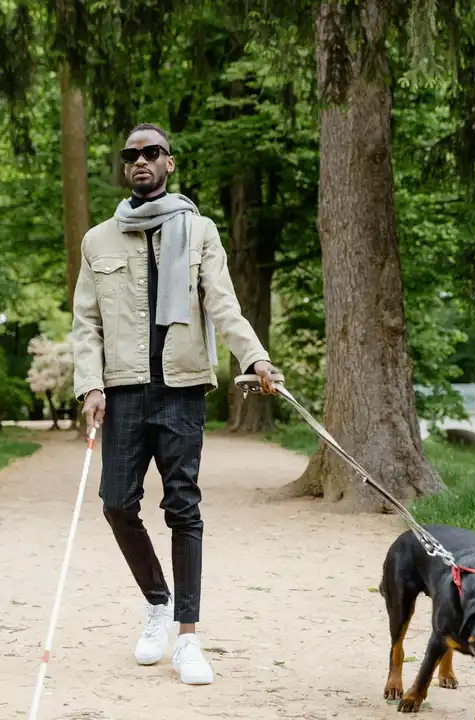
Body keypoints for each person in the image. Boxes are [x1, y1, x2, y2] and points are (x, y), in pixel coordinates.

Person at [70, 122, 278, 686]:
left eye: (151, 152)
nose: (140, 160)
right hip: (122, 390)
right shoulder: (99, 240)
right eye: (131, 154)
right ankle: (157, 601)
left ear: (170, 162)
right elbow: (85, 323)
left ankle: (187, 635)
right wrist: (90, 385)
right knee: (116, 503)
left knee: (183, 508)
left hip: (182, 387)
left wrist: (255, 359)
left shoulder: (201, 230)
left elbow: (224, 305)